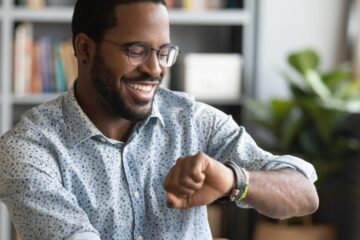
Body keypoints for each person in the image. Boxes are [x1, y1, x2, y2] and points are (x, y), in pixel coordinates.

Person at [0, 0, 319, 239]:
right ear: (84, 48)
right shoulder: (26, 150)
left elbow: (305, 195)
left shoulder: (193, 120)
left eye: (163, 51)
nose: (155, 69)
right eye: (136, 50)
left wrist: (235, 181)